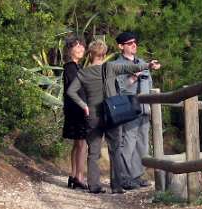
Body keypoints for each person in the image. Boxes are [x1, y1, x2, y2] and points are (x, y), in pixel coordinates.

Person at [66, 39, 161, 194]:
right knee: (115, 149)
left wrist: (83, 105)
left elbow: (71, 92)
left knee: (94, 152)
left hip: (93, 116)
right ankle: (116, 186)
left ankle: (94, 186)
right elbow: (132, 67)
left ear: (90, 54)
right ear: (104, 54)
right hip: (112, 113)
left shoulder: (83, 73)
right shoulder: (110, 67)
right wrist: (148, 65)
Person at [113, 31, 154, 189]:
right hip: (128, 110)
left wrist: (151, 106)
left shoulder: (143, 63)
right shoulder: (117, 65)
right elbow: (119, 89)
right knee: (128, 144)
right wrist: (133, 77)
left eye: (135, 42)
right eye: (130, 43)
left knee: (142, 144)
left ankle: (136, 176)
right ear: (121, 46)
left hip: (144, 109)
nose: (134, 45)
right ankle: (124, 177)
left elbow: (149, 85)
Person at [62, 35, 88, 190]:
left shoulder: (76, 67)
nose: (80, 49)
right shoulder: (71, 67)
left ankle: (74, 176)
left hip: (75, 108)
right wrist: (84, 105)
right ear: (70, 49)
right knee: (82, 143)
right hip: (77, 109)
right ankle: (78, 176)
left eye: (82, 46)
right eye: (77, 46)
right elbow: (74, 90)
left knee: (78, 144)